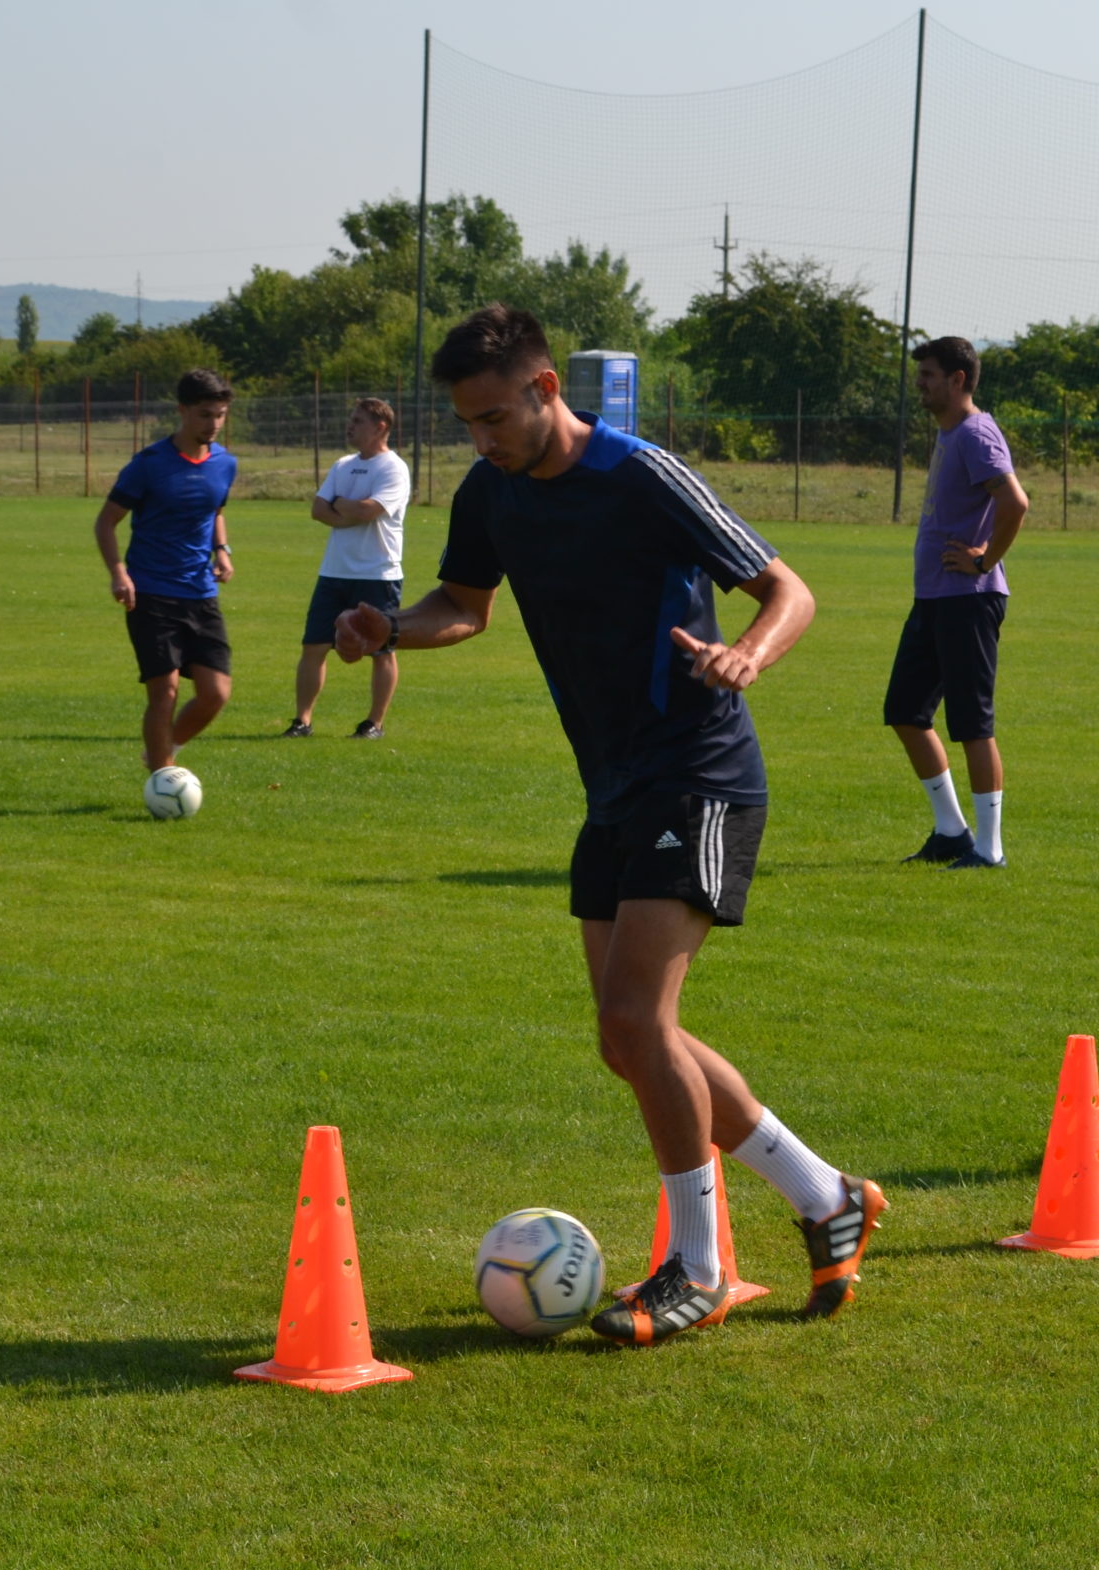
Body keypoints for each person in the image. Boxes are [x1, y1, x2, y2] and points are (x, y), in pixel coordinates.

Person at [336, 304, 884, 1345]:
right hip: (616, 786)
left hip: (702, 771)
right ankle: (827, 1196)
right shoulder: (491, 491)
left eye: (495, 416)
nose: (482, 439)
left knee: (638, 1020)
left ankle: (698, 1269)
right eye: (467, 422)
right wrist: (390, 626)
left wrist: (747, 654)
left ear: (546, 389)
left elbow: (787, 589)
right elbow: (466, 604)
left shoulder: (641, 475)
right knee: (625, 1039)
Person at [886, 335, 1032, 869]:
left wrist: (985, 560)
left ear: (958, 379)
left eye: (928, 375)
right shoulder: (951, 432)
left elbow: (1015, 502)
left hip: (968, 600)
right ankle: (951, 831)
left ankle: (989, 849)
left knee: (972, 723)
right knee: (905, 711)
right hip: (934, 597)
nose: (920, 384)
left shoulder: (975, 433)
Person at [95, 368, 237, 774]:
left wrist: (222, 550)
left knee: (216, 693)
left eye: (220, 415)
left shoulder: (225, 463)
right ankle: (162, 777)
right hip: (151, 593)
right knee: (165, 691)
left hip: (201, 592)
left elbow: (214, 510)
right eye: (205, 414)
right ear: (182, 411)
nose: (214, 424)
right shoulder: (148, 464)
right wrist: (119, 573)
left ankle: (162, 749)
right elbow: (106, 522)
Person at [289, 397, 411, 739]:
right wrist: (349, 512)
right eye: (351, 419)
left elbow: (368, 510)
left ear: (380, 427)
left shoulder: (393, 468)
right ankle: (302, 721)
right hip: (334, 572)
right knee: (314, 646)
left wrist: (341, 505)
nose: (350, 426)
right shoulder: (343, 465)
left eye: (358, 421)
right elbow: (317, 509)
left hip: (377, 575)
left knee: (382, 651)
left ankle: (374, 724)